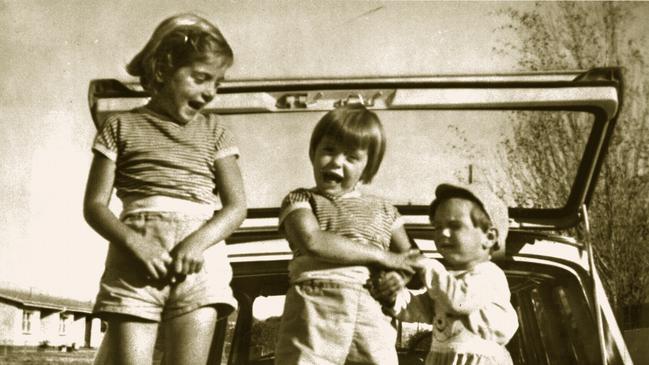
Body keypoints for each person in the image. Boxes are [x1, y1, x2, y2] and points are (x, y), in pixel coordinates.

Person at [83, 13, 247, 365]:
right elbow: (95, 205)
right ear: (161, 71)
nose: (209, 93)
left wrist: (197, 242)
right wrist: (135, 243)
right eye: (201, 78)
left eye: (217, 83)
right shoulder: (120, 126)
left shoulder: (216, 130)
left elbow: (236, 207)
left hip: (199, 266)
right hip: (134, 263)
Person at [274, 104, 418, 365]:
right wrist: (384, 258)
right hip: (314, 305)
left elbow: (409, 258)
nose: (336, 162)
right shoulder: (300, 199)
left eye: (351, 157)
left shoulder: (386, 210)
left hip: (371, 309)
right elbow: (312, 241)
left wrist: (398, 279)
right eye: (328, 150)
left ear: (368, 167)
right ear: (313, 152)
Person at [372, 182, 519, 365]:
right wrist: (393, 297)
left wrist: (425, 264)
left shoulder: (489, 275)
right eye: (437, 227)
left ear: (489, 237)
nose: (443, 233)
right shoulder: (447, 281)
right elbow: (420, 309)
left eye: (454, 226)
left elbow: (459, 301)